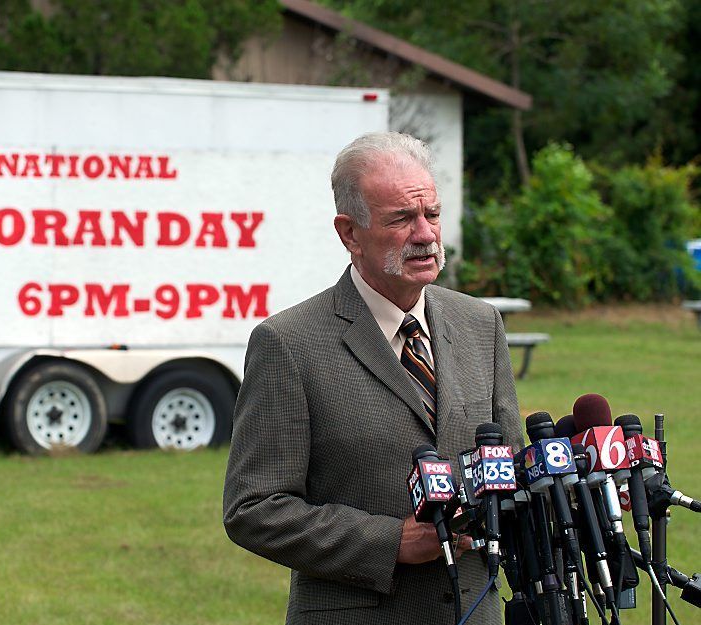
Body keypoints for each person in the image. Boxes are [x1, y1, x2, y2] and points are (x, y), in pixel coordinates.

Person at [222, 131, 523, 624]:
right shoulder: (289, 343)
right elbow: (254, 509)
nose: (425, 234)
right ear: (349, 233)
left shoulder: (480, 324)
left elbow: (508, 466)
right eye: (401, 219)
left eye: (432, 214)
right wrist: (390, 543)